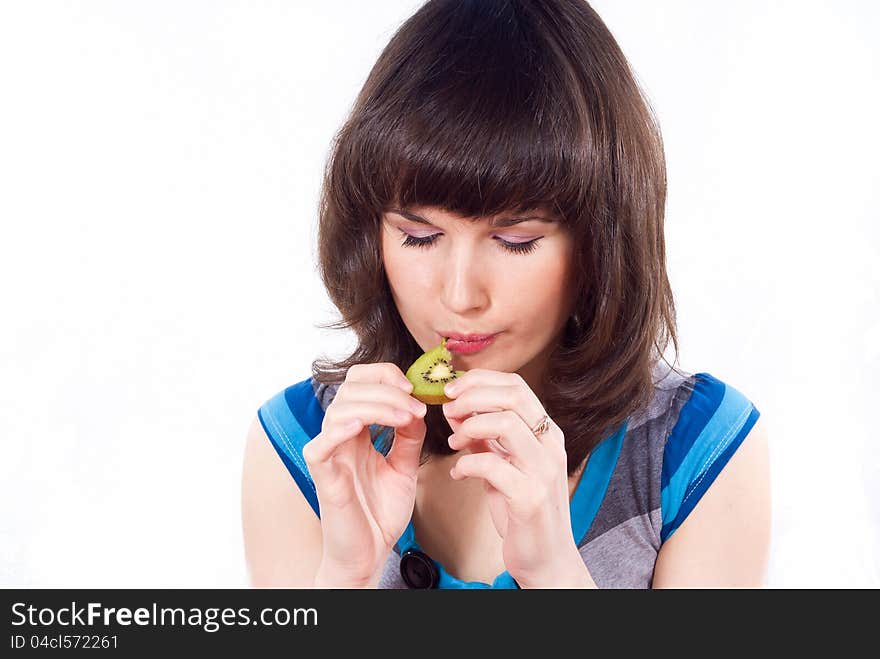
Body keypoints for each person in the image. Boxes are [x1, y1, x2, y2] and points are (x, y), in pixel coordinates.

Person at [240, 0, 771, 589]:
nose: (460, 295)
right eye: (419, 236)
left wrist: (553, 570)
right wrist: (346, 575)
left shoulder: (696, 449)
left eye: (514, 241)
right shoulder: (307, 445)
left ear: (600, 240)